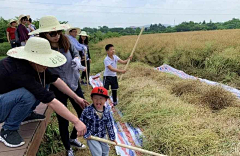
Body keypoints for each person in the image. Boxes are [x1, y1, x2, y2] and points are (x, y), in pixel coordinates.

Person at [0, 37, 87, 149]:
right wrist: (76, 121)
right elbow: (49, 100)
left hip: (7, 98)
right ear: (33, 59)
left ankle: (26, 114)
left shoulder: (34, 64)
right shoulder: (19, 69)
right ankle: (8, 129)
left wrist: (76, 97)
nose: (46, 65)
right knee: (28, 94)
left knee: (44, 83)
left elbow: (55, 80)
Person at [30, 16, 87, 156]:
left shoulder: (65, 41)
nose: (57, 36)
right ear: (44, 35)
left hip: (73, 82)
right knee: (63, 120)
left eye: (59, 32)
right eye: (52, 34)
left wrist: (76, 59)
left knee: (83, 113)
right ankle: (68, 148)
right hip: (57, 86)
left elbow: (75, 52)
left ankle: (73, 138)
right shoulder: (42, 49)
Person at [80, 87, 116, 156]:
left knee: (105, 152)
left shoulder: (107, 112)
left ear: (105, 100)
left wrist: (112, 137)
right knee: (97, 153)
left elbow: (109, 125)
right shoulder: (87, 111)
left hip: (102, 135)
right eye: (95, 98)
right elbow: (81, 123)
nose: (98, 100)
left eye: (101, 98)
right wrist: (86, 134)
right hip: (91, 136)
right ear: (92, 98)